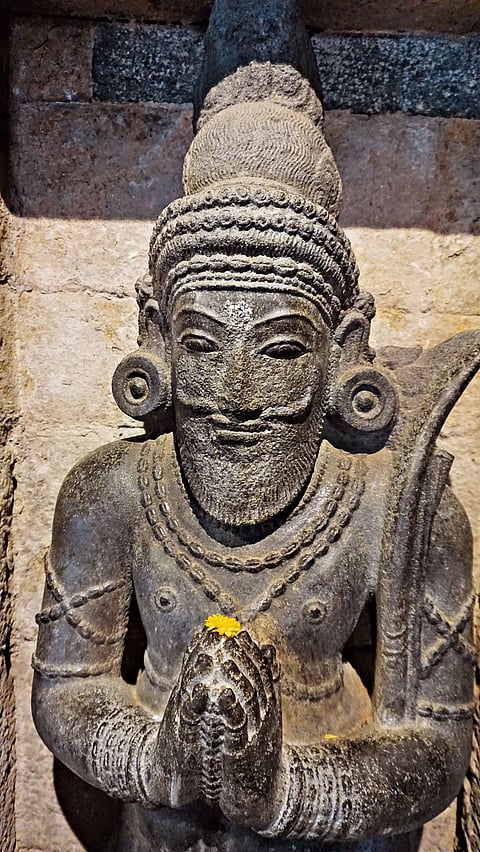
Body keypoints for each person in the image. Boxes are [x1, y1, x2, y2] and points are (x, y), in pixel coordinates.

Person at [32, 1, 480, 849]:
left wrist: (286, 788)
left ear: (342, 354)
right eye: (201, 344)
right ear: (155, 339)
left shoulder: (396, 506)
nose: (235, 395)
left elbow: (436, 745)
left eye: (278, 350)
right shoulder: (113, 489)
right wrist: (159, 764)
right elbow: (65, 693)